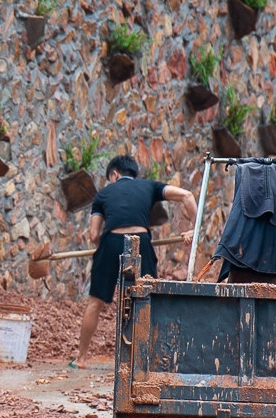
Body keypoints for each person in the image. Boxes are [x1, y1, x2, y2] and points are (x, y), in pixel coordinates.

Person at [72, 155, 196, 367]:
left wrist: (103, 249)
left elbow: (94, 235)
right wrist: (194, 227)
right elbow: (187, 195)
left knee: (96, 301)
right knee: (149, 298)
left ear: (114, 175)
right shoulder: (148, 186)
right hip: (141, 241)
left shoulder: (102, 195)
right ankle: (153, 360)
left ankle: (81, 358)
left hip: (110, 240)